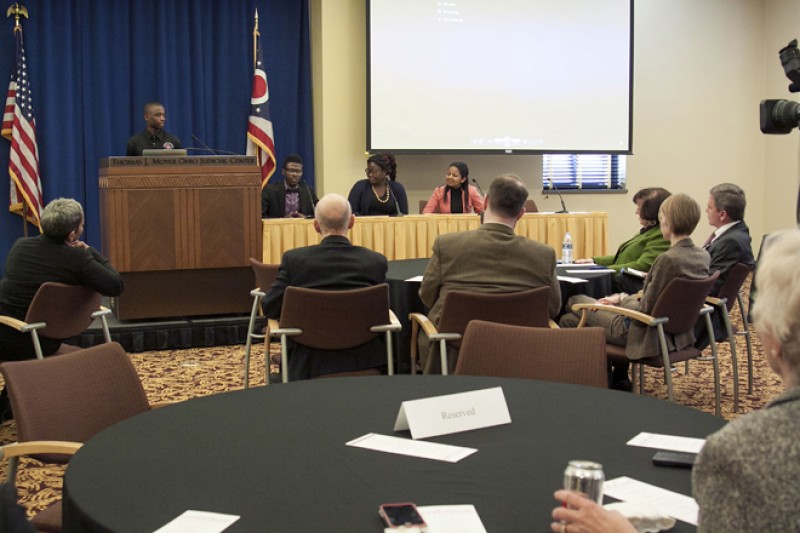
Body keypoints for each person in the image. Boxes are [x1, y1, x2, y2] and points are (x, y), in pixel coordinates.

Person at [550, 228, 800, 533]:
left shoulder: (742, 452)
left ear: (774, 341)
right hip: (663, 332)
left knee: (572, 310)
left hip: (643, 330)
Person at [559, 194, 709, 391]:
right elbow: (660, 298)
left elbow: (644, 310)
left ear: (667, 221)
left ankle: (595, 380)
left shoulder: (667, 260)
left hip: (642, 332)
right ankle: (607, 378)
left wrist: (620, 300)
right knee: (569, 321)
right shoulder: (702, 255)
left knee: (574, 301)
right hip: (675, 334)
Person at [418, 174, 561, 373]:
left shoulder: (447, 245)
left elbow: (426, 296)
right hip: (521, 357)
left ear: (485, 202)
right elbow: (552, 308)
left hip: (454, 355)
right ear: (521, 213)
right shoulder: (544, 254)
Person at [0, 198, 124, 420]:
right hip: (42, 340)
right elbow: (116, 285)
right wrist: (90, 251)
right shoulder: (78, 259)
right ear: (72, 235)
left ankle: (8, 403)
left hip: (7, 332)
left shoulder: (20, 246)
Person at [262, 193, 389, 380]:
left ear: (315, 225)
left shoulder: (295, 260)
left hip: (308, 363)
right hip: (365, 360)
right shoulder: (375, 262)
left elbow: (269, 306)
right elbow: (383, 311)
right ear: (352, 222)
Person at [693, 183, 755, 348]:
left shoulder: (731, 242)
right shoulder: (736, 234)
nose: (706, 210)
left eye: (709, 207)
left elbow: (710, 286)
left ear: (722, 215)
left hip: (702, 318)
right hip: (706, 310)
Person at [575, 188, 671, 294]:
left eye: (640, 207)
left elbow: (643, 266)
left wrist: (605, 270)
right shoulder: (648, 231)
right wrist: (594, 261)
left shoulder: (661, 235)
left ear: (652, 210)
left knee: (574, 294)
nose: (636, 211)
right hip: (618, 282)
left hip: (626, 289)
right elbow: (622, 257)